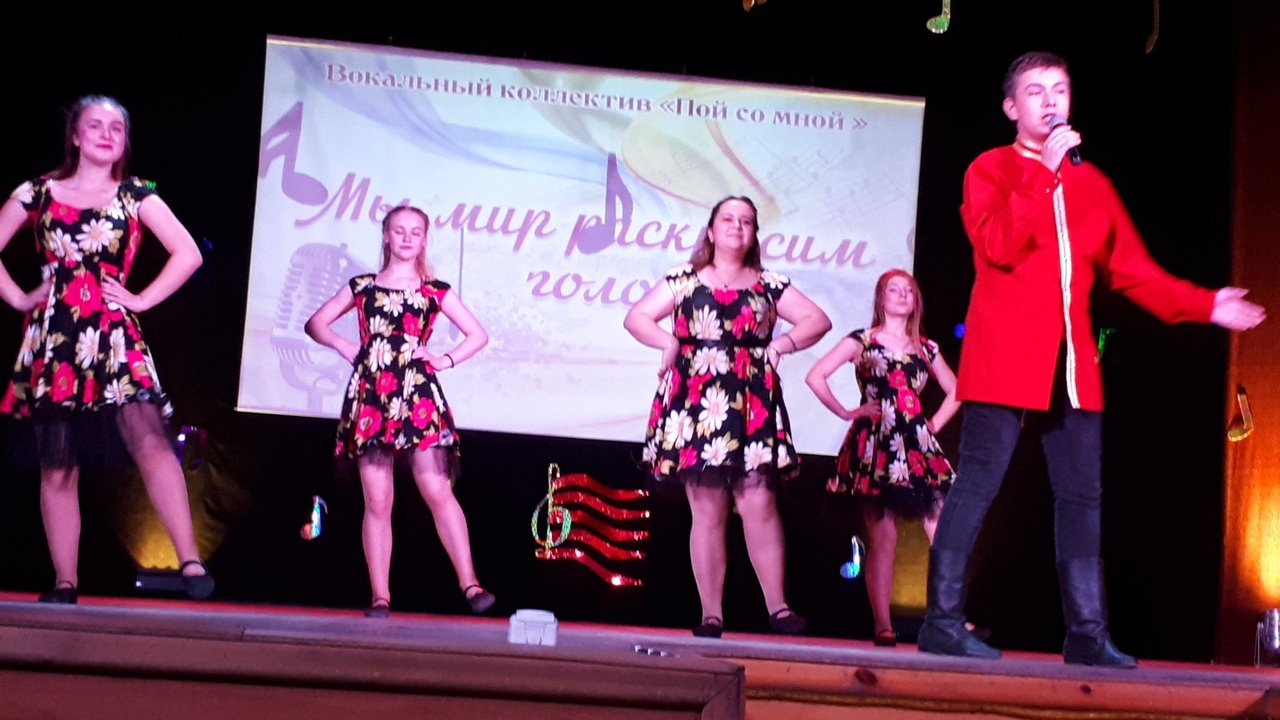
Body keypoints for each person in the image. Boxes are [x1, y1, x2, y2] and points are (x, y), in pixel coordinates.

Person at [916, 52, 1266, 666]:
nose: (1050, 100)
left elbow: (1135, 272)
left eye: (1060, 89)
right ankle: (941, 621)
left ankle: (1086, 632)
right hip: (1003, 356)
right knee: (978, 482)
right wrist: (1043, 174)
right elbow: (997, 245)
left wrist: (1207, 304)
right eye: (1035, 91)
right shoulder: (990, 169)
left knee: (1081, 497)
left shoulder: (1092, 184)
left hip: (1073, 363)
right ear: (1011, 107)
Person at [0, 95, 213, 603]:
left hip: (114, 333)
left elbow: (188, 253)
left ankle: (190, 561)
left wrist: (141, 299)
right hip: (56, 335)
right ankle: (65, 581)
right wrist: (18, 297)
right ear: (75, 136)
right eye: (94, 125)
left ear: (125, 142)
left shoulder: (136, 194)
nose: (105, 134)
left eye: (116, 128)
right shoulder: (36, 192)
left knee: (151, 440)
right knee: (58, 460)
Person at [624, 195, 832, 638]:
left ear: (754, 234)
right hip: (697, 399)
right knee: (707, 508)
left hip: (751, 398)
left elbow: (817, 319)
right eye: (728, 219)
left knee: (759, 502)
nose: (737, 226)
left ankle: (778, 607)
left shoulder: (769, 283)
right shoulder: (683, 279)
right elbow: (637, 317)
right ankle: (711, 614)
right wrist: (668, 342)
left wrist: (781, 345)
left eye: (747, 221)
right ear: (711, 230)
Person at [305, 205, 495, 618]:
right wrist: (344, 345)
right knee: (378, 500)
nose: (407, 238)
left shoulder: (434, 290)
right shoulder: (362, 286)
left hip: (417, 394)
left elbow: (477, 334)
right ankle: (380, 595)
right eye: (399, 230)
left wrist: (444, 359)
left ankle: (471, 583)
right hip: (372, 396)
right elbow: (316, 323)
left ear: (424, 240)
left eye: (415, 232)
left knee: (438, 490)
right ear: (386, 236)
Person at [806, 269, 960, 647]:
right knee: (884, 536)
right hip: (876, 443)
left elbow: (957, 389)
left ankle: (950, 618)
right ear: (881, 297)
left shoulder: (926, 347)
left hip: (916, 445)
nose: (902, 294)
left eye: (909, 289)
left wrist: (933, 424)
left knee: (942, 528)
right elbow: (816, 376)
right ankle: (883, 624)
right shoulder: (862, 340)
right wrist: (847, 412)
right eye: (894, 289)